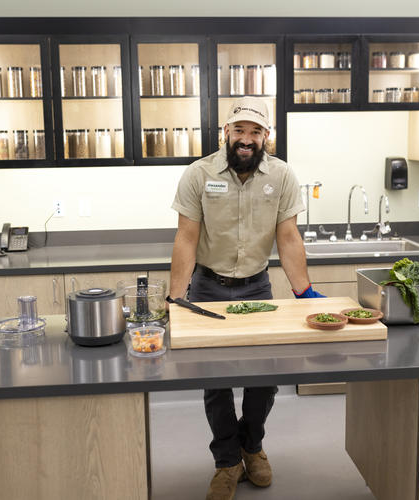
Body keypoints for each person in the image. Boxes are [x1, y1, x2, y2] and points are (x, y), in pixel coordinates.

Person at [168, 96, 324, 500]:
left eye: (255, 131)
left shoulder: (283, 176)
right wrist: (174, 298)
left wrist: (304, 292)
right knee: (215, 381)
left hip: (257, 287)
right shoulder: (198, 174)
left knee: (265, 376)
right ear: (226, 133)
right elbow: (186, 238)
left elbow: (288, 238)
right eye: (239, 130)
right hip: (207, 287)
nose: (246, 139)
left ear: (266, 137)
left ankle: (251, 446)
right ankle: (226, 461)